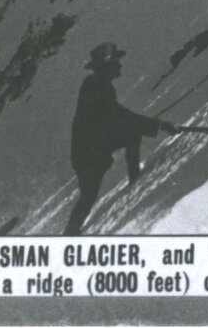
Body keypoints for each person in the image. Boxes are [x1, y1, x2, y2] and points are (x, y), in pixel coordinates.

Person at [65, 42, 169, 235]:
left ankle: (135, 179)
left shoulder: (96, 85)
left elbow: (117, 117)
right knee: (88, 196)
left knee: (132, 136)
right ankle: (69, 236)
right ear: (106, 67)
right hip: (89, 153)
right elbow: (119, 116)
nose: (120, 66)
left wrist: (153, 125)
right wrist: (158, 125)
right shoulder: (98, 88)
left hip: (92, 148)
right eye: (116, 63)